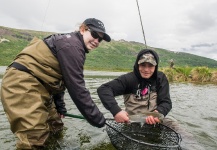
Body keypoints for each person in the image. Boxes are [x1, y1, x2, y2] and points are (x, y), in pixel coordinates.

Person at [0, 18, 110, 149]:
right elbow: (77, 88)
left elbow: (60, 79)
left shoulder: (72, 44)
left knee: (55, 126)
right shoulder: (72, 46)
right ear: (83, 29)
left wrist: (59, 106)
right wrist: (98, 119)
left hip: (42, 86)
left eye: (100, 39)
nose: (97, 41)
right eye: (94, 35)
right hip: (23, 83)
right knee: (35, 138)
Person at [97, 49, 172, 124]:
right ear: (137, 64)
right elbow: (104, 89)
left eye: (150, 66)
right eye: (143, 65)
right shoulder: (128, 79)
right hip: (132, 122)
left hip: (155, 120)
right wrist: (116, 111)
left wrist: (157, 113)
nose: (146, 69)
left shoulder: (160, 78)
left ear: (155, 66)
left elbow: (166, 102)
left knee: (176, 127)